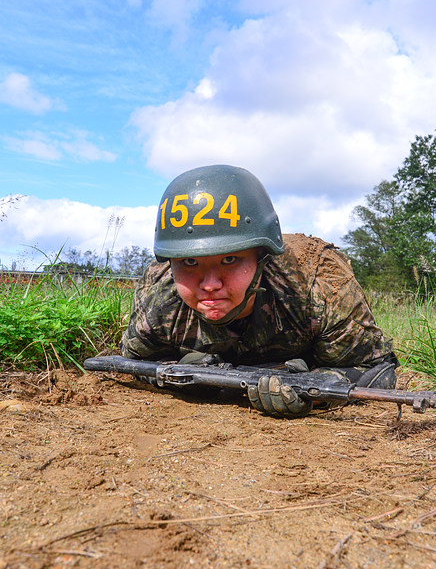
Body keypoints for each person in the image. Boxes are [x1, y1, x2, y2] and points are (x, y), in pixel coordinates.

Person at [121, 164, 399, 418]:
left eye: (229, 260)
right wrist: (188, 376)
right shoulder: (160, 293)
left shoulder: (319, 283)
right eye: (190, 263)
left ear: (262, 256)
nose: (209, 284)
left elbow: (376, 370)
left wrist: (313, 390)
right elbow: (134, 363)